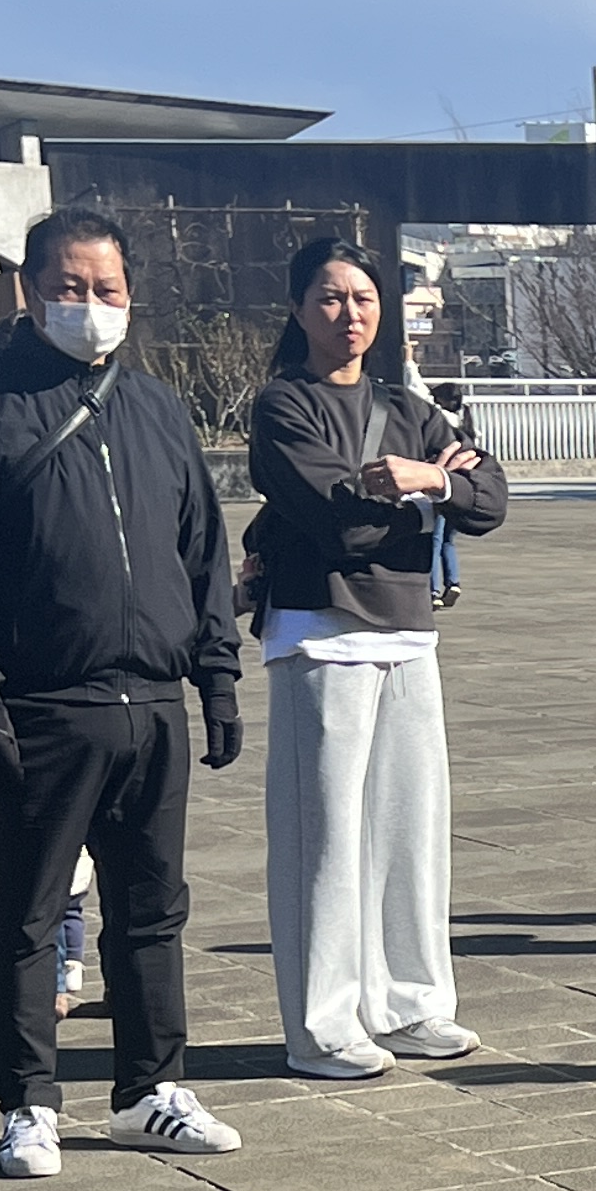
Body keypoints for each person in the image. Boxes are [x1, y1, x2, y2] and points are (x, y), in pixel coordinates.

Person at [0, 206, 244, 1179]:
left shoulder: (158, 409)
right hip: (43, 706)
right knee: (30, 910)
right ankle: (28, 1102)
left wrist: (217, 674)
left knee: (153, 909)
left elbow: (201, 549)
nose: (89, 304)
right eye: (69, 287)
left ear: (131, 296)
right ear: (28, 290)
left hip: (154, 702)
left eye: (107, 289)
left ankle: (150, 1090)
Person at [246, 236, 507, 1080]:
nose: (348, 314)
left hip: (406, 633)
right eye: (330, 298)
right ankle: (322, 1026)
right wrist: (428, 496)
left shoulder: (407, 407)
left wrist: (426, 482)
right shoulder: (284, 407)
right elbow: (339, 521)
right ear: (298, 309)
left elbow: (489, 499)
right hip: (320, 633)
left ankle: (411, 1004)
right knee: (323, 838)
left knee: (410, 830)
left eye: (362, 298)